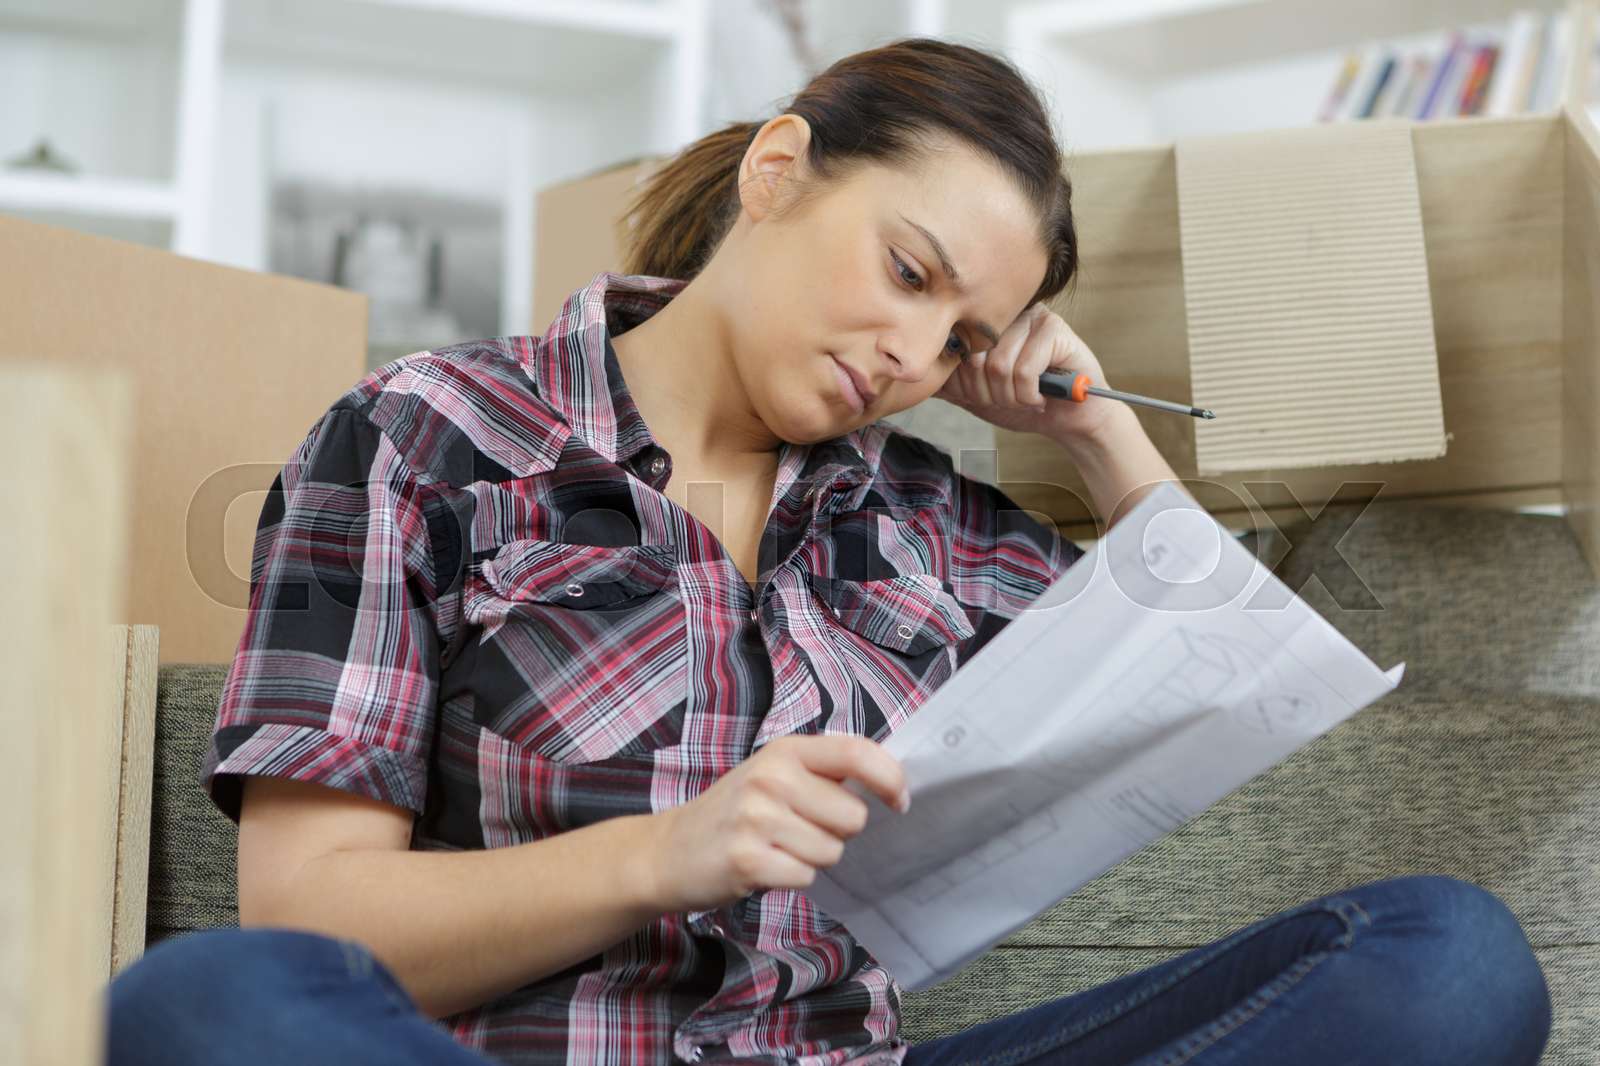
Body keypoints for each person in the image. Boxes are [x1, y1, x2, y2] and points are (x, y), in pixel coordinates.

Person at [103, 36, 1551, 1066]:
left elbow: (1226, 665)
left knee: (1445, 960)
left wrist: (1099, 437)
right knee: (212, 1000)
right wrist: (668, 849)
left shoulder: (930, 522)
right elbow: (309, 917)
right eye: (910, 273)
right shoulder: (419, 437)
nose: (913, 354)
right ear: (779, 170)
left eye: (964, 337)